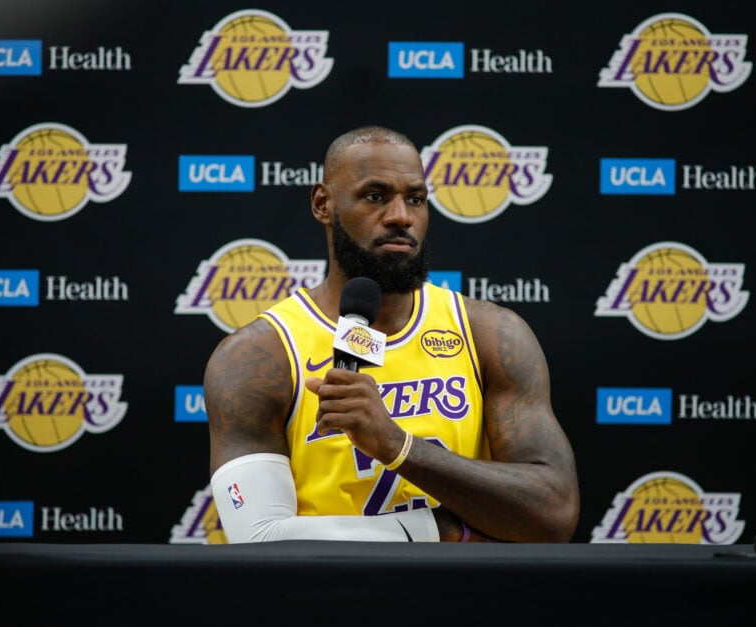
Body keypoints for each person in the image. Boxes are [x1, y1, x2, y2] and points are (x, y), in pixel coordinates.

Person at [204, 125, 579, 543]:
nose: (401, 216)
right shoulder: (260, 356)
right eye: (375, 196)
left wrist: (397, 445)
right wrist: (441, 533)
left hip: (464, 603)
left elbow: (554, 512)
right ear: (323, 204)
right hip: (327, 602)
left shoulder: (490, 335)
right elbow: (258, 538)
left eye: (415, 199)